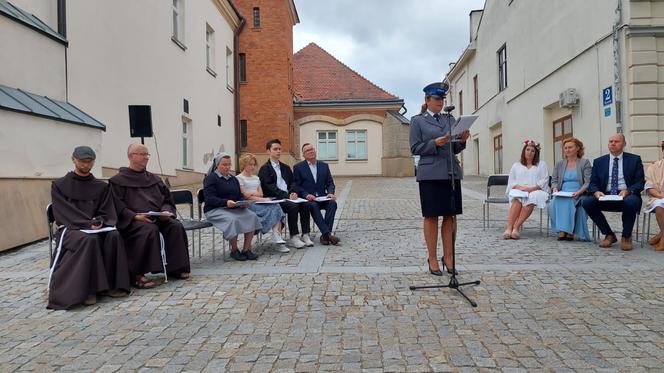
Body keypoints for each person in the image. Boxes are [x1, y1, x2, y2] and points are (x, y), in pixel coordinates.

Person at [48, 146, 131, 309]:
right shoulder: (59, 185)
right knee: (89, 240)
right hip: (71, 229)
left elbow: (107, 210)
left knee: (114, 236)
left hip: (96, 227)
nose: (86, 165)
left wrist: (100, 222)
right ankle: (89, 290)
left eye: (89, 162)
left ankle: (113, 286)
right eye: (82, 161)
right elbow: (64, 212)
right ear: (73, 159)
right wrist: (86, 224)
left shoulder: (101, 186)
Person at [409, 82, 470, 276]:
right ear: (427, 100)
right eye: (436, 99)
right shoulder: (417, 121)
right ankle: (433, 257)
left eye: (442, 99)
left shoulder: (449, 119)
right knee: (432, 216)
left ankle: (449, 257)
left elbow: (454, 148)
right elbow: (415, 148)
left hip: (450, 172)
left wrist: (461, 141)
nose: (440, 103)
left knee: (450, 216)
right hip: (430, 174)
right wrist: (434, 143)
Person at [109, 143, 191, 288]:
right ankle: (137, 274)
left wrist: (165, 212)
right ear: (130, 156)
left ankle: (176, 267)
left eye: (147, 154)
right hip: (134, 221)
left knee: (175, 226)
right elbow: (117, 205)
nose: (146, 157)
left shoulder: (155, 179)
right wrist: (134, 216)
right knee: (148, 230)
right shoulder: (117, 181)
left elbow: (167, 200)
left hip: (157, 217)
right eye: (142, 154)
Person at [582, 133, 644, 250]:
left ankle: (626, 236)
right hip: (606, 194)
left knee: (630, 202)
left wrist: (628, 191)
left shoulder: (634, 159)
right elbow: (593, 183)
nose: (613, 144)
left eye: (616, 141)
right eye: (611, 141)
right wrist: (596, 192)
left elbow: (640, 182)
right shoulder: (599, 161)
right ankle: (609, 234)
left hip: (626, 194)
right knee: (587, 202)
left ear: (624, 144)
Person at [204, 153, 262, 261]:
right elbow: (209, 199)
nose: (227, 167)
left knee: (252, 216)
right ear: (217, 165)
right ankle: (234, 250)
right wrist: (225, 202)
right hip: (215, 209)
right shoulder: (211, 178)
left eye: (229, 165)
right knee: (233, 219)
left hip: (232, 207)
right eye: (224, 165)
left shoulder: (233, 179)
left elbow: (238, 196)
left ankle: (246, 249)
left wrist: (242, 202)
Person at [258, 139, 313, 249]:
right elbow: (269, 188)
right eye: (275, 149)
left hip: (288, 197)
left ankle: (305, 234)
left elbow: (293, 183)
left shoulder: (285, 167)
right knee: (293, 206)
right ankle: (294, 236)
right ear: (268, 151)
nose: (278, 151)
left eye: (279, 149)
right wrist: (287, 196)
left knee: (306, 204)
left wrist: (293, 192)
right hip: (275, 199)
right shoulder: (265, 169)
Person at [237, 153, 288, 252]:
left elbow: (261, 193)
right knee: (274, 207)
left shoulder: (256, 178)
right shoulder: (239, 178)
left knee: (276, 206)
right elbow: (244, 195)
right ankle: (276, 235)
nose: (252, 167)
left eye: (253, 165)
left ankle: (276, 234)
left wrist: (254, 195)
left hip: (259, 202)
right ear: (244, 165)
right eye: (250, 165)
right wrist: (258, 197)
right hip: (249, 204)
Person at [293, 143, 339, 245]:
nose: (311, 151)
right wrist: (306, 195)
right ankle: (328, 234)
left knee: (333, 203)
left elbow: (330, 183)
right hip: (309, 199)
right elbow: (297, 186)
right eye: (307, 150)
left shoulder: (324, 166)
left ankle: (325, 235)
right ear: (303, 155)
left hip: (322, 197)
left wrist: (330, 193)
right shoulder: (298, 167)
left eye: (312, 149)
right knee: (313, 205)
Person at [503, 140, 550, 240]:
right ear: (524, 151)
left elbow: (544, 180)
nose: (529, 152)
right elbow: (511, 181)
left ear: (536, 153)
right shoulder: (516, 165)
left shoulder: (541, 164)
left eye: (533, 151)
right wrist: (522, 188)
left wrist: (531, 188)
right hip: (519, 190)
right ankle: (509, 228)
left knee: (532, 197)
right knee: (517, 198)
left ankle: (516, 228)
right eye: (527, 149)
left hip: (537, 190)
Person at [548, 137, 592, 241]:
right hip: (562, 192)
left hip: (579, 192)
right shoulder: (559, 164)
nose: (567, 150)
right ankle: (563, 230)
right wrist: (554, 189)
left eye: (570, 147)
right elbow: (554, 180)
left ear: (577, 148)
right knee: (553, 203)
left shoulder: (584, 162)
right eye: (565, 148)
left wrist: (579, 192)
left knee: (569, 201)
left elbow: (588, 182)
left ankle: (568, 231)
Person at [644, 140, 664, 251]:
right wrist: (660, 196)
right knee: (659, 205)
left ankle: (662, 236)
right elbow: (649, 187)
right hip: (659, 197)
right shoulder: (654, 166)